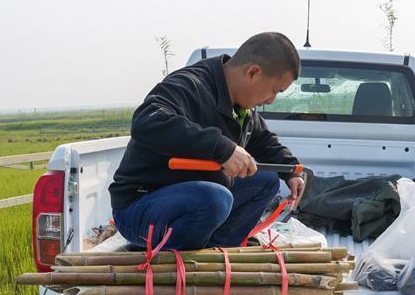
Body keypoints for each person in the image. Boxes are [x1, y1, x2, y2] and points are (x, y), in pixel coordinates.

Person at [108, 32, 306, 250]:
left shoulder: (241, 106)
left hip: (193, 196)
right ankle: (177, 258)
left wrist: (292, 171)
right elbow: (147, 121)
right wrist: (222, 148)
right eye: (274, 91)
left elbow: (264, 142)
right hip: (141, 206)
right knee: (215, 198)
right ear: (252, 73)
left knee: (265, 181)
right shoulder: (189, 85)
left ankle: (217, 252)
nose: (271, 100)